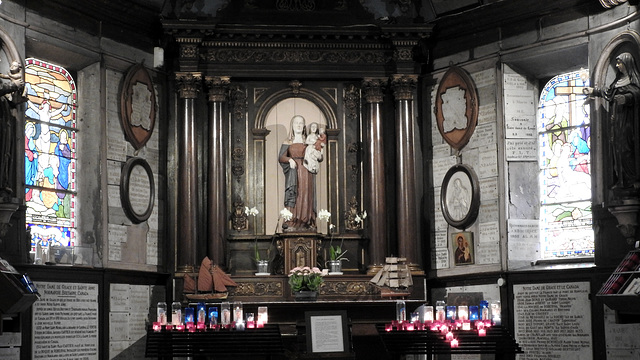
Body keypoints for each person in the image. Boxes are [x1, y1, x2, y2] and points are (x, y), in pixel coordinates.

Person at [584, 52, 640, 190]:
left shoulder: (634, 81)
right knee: (616, 149)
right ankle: (620, 180)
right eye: (617, 62)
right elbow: (608, 93)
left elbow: (637, 93)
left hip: (628, 121)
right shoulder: (617, 82)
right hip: (616, 120)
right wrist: (594, 91)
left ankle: (631, 180)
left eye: (619, 62)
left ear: (627, 64)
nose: (617, 65)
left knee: (626, 148)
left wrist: (627, 98)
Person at [278, 115, 319, 231]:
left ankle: (307, 221)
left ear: (304, 126)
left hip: (307, 170)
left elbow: (317, 155)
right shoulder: (288, 141)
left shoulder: (308, 141)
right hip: (293, 172)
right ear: (292, 125)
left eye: (301, 123)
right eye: (296, 123)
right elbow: (281, 157)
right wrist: (289, 159)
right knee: (294, 193)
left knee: (306, 194)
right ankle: (291, 221)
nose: (299, 125)